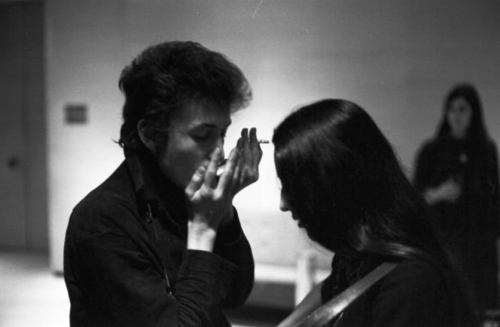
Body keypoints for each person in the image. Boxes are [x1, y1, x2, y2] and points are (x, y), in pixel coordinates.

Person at [63, 41, 263, 327]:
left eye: (223, 134)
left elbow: (235, 295)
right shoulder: (103, 221)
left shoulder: (187, 193)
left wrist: (225, 212)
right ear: (150, 133)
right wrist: (204, 229)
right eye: (203, 135)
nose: (220, 151)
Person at [273, 99, 477, 327]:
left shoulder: (409, 282)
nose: (283, 203)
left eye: (292, 186)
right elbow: (330, 291)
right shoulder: (359, 252)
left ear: (333, 183)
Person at [414, 83, 500, 317]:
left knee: (479, 308)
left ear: (473, 112)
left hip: (478, 244)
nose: (456, 115)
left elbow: (494, 199)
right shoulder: (432, 151)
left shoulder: (485, 150)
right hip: (444, 241)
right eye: (452, 109)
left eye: (462, 109)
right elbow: (414, 199)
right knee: (446, 307)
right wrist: (439, 193)